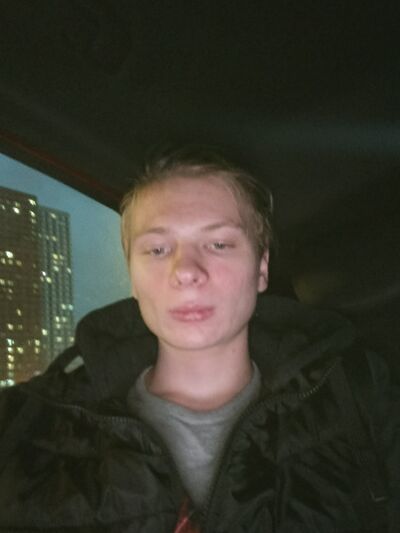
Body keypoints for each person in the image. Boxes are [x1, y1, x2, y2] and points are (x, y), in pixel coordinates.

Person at [0, 146, 398, 532]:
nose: (186, 270)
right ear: (132, 276)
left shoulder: (363, 401)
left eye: (219, 244)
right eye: (158, 249)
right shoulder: (25, 424)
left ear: (261, 268)